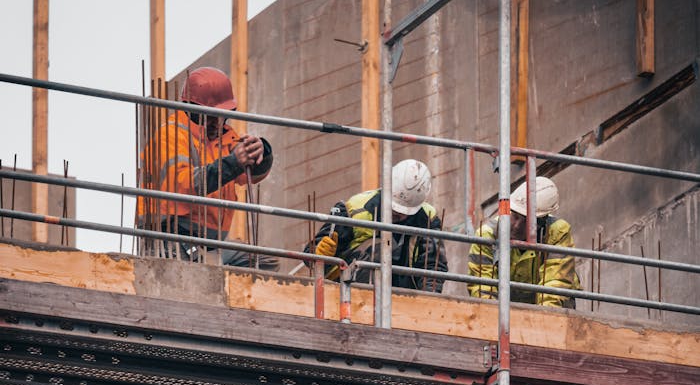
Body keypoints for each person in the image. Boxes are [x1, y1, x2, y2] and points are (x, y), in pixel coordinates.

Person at [137, 66, 273, 263]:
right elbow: (185, 185)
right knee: (182, 283)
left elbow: (250, 176)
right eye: (211, 116)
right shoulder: (171, 136)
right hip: (169, 237)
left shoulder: (223, 138)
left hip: (209, 243)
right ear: (193, 109)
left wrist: (260, 153)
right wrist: (233, 162)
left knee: (262, 262)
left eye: (223, 115)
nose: (218, 123)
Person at [305, 159, 448, 292]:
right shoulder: (355, 209)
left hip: (403, 295)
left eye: (402, 213)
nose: (397, 215)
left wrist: (427, 302)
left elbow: (433, 268)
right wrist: (319, 255)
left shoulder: (428, 220)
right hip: (350, 290)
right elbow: (309, 256)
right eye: (393, 209)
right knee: (382, 247)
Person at [468, 176, 579, 308]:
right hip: (504, 304)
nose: (516, 226)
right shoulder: (487, 235)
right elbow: (483, 285)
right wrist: (490, 315)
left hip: (544, 305)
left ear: (541, 221)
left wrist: (546, 317)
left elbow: (555, 282)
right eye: (514, 216)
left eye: (526, 221)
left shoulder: (557, 233)